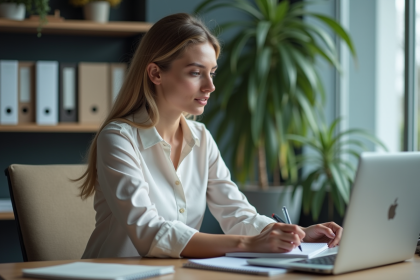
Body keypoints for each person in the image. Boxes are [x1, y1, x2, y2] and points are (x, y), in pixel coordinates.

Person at [78, 13, 342, 259]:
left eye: (211, 73)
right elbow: (149, 234)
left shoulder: (201, 137)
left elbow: (237, 214)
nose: (210, 86)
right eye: (195, 73)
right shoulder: (118, 139)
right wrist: (248, 244)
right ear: (156, 73)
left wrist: (297, 234)